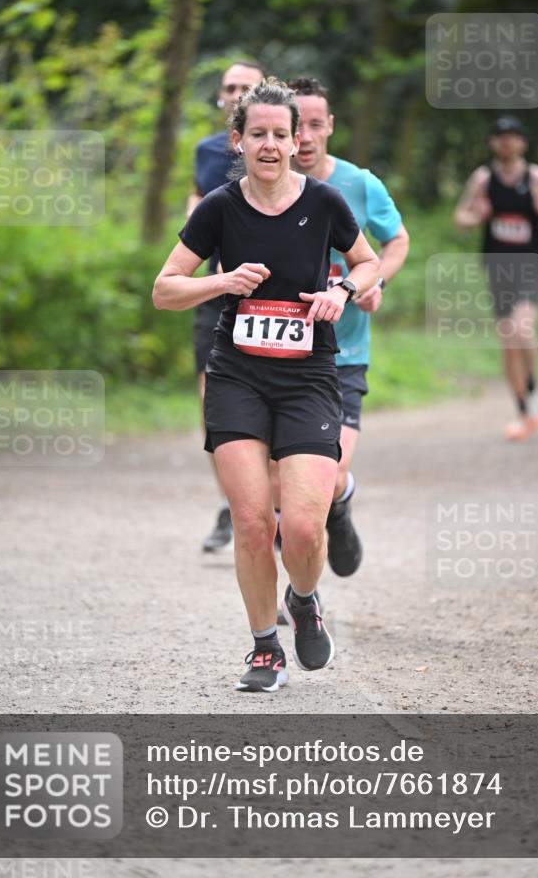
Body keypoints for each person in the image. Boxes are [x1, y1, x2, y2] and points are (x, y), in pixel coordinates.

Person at [153, 79, 379, 692]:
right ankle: (263, 648)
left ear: (297, 137)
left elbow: (367, 260)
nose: (274, 144)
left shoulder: (326, 201)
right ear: (239, 140)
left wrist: (341, 291)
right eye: (260, 134)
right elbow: (164, 288)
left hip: (308, 377)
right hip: (238, 376)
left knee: (303, 527)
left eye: (284, 133)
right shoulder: (220, 208)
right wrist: (220, 284)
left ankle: (304, 599)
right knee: (253, 521)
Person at [287, 77, 409, 576]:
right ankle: (296, 588)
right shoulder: (261, 186)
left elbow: (395, 242)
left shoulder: (360, 184)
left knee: (329, 473)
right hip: (282, 357)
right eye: (299, 125)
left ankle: (341, 503)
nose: (307, 136)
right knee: (286, 485)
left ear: (330, 126)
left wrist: (373, 282)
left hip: (344, 356)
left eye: (317, 123)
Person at [186, 61, 265, 552]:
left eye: (247, 87)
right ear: (220, 99)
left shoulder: (280, 144)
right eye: (229, 88)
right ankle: (233, 506)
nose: (236, 94)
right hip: (216, 292)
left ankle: (274, 503)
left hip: (273, 299)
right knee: (211, 407)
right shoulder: (206, 152)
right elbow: (197, 200)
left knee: (269, 404)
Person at [454, 116, 538, 440]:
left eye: (513, 136)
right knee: (508, 341)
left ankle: (533, 386)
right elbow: (460, 216)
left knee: (523, 327)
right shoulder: (483, 179)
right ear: (492, 142)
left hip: (530, 265)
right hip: (496, 267)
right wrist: (476, 216)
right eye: (501, 136)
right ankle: (525, 412)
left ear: (523, 143)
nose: (507, 142)